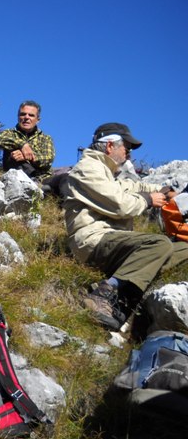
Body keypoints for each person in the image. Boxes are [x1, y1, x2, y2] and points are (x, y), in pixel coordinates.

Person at [62, 122, 188, 331]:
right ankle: (104, 292)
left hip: (114, 243)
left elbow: (136, 185)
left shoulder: (108, 173)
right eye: (126, 148)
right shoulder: (87, 169)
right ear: (110, 146)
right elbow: (120, 204)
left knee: (184, 248)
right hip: (93, 241)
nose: (128, 154)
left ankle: (121, 294)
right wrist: (148, 200)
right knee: (159, 244)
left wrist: (166, 191)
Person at [0, 100, 55, 179]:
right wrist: (22, 145)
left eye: (31, 115)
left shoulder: (46, 138)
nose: (26, 117)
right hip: (16, 175)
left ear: (38, 120)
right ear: (18, 117)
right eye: (23, 114)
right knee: (12, 151)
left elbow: (48, 158)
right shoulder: (9, 133)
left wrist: (27, 156)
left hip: (42, 178)